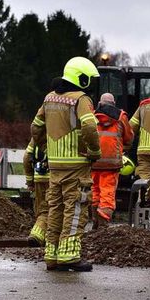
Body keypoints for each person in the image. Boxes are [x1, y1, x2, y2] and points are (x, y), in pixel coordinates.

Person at [31, 57, 101, 272]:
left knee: (55, 209)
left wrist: (46, 148)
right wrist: (94, 151)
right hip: (76, 164)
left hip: (55, 165)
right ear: (81, 78)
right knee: (76, 208)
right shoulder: (81, 99)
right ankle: (69, 255)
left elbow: (36, 127)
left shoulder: (49, 98)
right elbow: (89, 127)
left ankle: (52, 255)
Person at [91, 93, 133, 228]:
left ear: (99, 103)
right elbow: (129, 138)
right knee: (107, 193)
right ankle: (103, 224)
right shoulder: (121, 117)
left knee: (95, 191)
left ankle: (95, 221)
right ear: (114, 104)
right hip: (111, 164)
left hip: (94, 162)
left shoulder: (92, 116)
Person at [22, 138, 50, 246]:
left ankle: (43, 236)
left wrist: (30, 181)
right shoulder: (61, 133)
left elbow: (27, 157)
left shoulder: (37, 137)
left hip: (39, 178)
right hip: (56, 178)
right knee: (53, 210)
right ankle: (38, 235)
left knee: (43, 209)